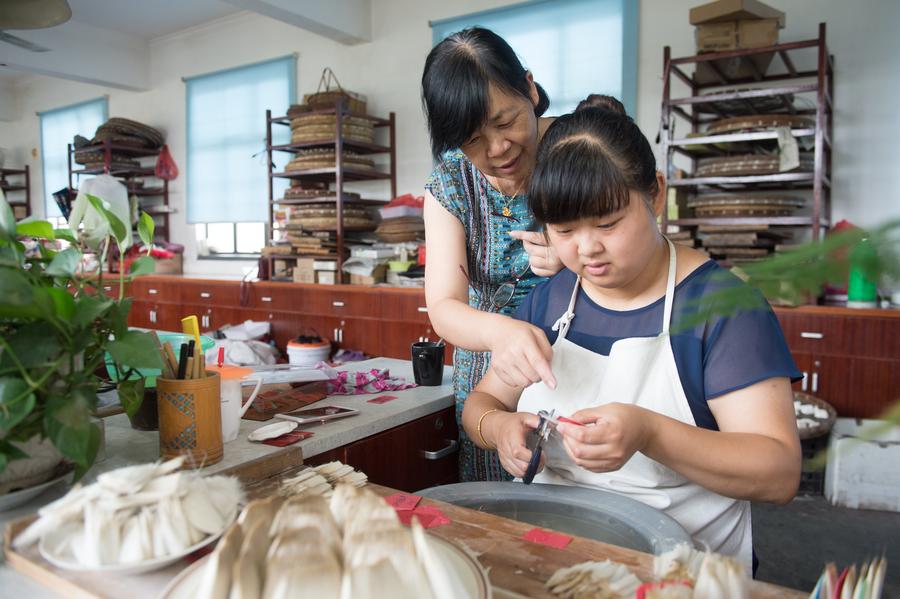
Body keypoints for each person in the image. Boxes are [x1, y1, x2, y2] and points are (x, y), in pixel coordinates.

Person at [461, 95, 802, 571]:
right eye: (563, 230)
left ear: (656, 194)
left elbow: (778, 472)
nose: (587, 250)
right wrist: (499, 430)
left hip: (682, 572)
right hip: (557, 564)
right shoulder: (553, 299)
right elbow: (481, 404)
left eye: (608, 222)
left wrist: (648, 432)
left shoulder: (722, 310)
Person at [422, 27, 564, 482]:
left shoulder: (576, 151)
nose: (497, 149)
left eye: (505, 123)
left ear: (530, 88)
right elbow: (445, 306)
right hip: (490, 380)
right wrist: (505, 335)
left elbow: (630, 244)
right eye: (472, 139)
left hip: (578, 364)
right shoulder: (450, 184)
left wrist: (572, 258)